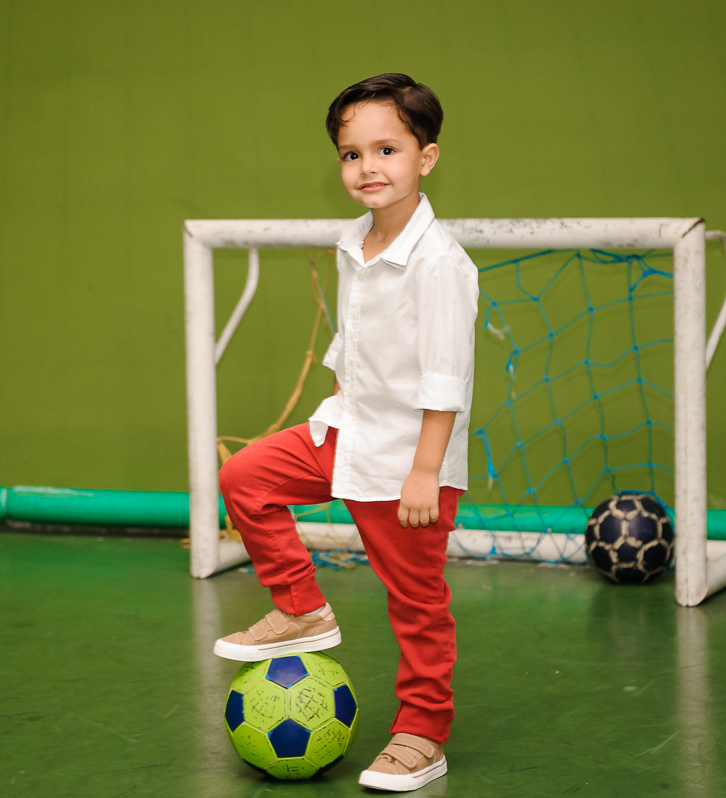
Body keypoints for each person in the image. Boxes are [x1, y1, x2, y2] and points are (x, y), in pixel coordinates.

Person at [213, 72, 477, 792]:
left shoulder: (441, 266)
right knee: (244, 477)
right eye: (350, 154)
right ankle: (302, 607)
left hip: (407, 459)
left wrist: (425, 469)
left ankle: (423, 733)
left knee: (416, 601)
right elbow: (356, 341)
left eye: (386, 149)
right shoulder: (351, 241)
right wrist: (335, 399)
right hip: (347, 431)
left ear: (426, 157)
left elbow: (444, 377)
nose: (367, 168)